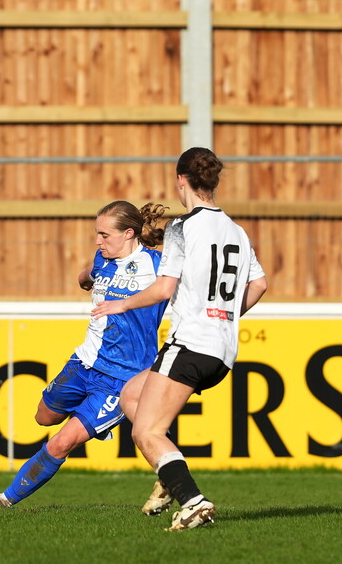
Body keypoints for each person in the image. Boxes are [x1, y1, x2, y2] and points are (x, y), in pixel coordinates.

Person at [92, 147, 267, 530]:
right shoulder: (237, 231)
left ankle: (193, 501)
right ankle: (171, 475)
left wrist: (119, 305)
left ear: (180, 180)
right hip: (221, 351)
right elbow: (259, 284)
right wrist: (225, 316)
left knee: (145, 431)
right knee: (131, 395)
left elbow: (163, 288)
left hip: (190, 344)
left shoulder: (183, 228)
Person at [0, 200, 168, 509]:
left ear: (129, 233)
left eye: (104, 235)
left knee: (62, 441)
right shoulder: (102, 260)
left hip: (121, 381)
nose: (98, 242)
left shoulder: (159, 267)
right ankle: (86, 419)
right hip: (83, 363)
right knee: (43, 417)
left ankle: (3, 501)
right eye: (97, 234)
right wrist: (86, 280)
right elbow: (85, 275)